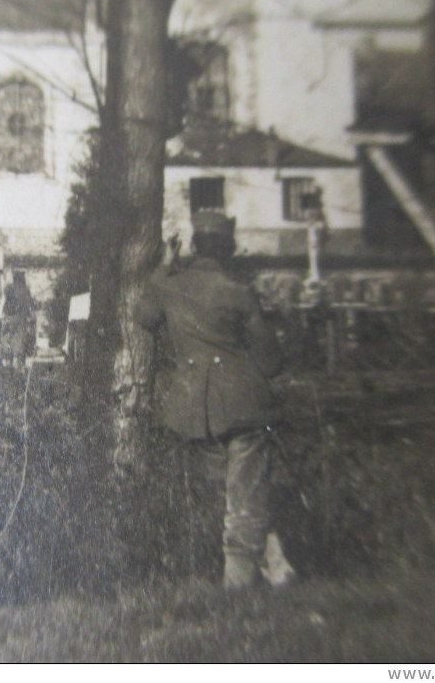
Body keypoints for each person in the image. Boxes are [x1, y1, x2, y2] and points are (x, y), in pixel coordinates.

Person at [136, 210, 284, 591]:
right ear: (228, 249)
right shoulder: (238, 292)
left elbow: (144, 316)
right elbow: (270, 361)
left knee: (225, 495)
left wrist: (163, 268)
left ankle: (273, 568)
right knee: (245, 497)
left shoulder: (171, 286)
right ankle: (240, 587)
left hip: (194, 409)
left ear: (194, 246)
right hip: (244, 404)